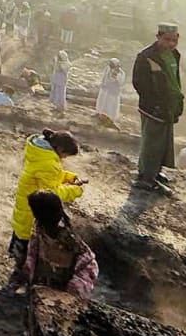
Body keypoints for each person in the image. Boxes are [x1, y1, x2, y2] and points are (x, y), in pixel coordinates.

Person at [10, 129, 84, 282]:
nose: (64, 159)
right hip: (33, 211)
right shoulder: (49, 163)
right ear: (61, 150)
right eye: (65, 156)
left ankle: (17, 262)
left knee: (20, 235)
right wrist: (76, 190)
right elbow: (53, 193)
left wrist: (69, 178)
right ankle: (21, 279)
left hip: (26, 206)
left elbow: (51, 175)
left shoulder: (40, 154)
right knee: (27, 247)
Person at [132, 23, 184, 194]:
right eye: (167, 39)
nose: (170, 44)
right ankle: (146, 178)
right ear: (158, 36)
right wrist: (155, 105)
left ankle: (154, 172)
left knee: (163, 141)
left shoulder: (174, 55)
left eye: (174, 40)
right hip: (154, 108)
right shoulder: (146, 56)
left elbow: (174, 81)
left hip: (169, 106)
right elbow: (140, 84)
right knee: (152, 142)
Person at [23, 189, 98, 297]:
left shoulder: (69, 239)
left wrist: (74, 288)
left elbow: (89, 263)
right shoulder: (39, 227)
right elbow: (33, 250)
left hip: (63, 291)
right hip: (42, 284)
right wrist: (29, 272)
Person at [95, 56, 124, 125]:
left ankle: (110, 119)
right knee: (103, 104)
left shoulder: (120, 73)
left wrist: (116, 76)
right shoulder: (108, 69)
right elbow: (105, 77)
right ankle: (101, 115)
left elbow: (120, 82)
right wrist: (103, 83)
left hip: (113, 92)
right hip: (105, 90)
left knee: (111, 106)